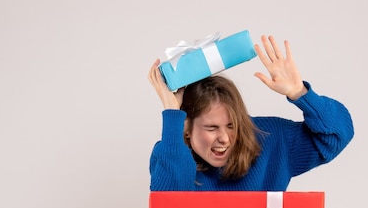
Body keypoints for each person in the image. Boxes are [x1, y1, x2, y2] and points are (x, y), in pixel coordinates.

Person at [147, 34, 354, 191]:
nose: (225, 138)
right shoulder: (169, 149)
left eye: (232, 125)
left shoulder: (271, 138)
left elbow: (337, 135)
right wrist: (172, 115)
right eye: (211, 127)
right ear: (187, 128)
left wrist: (301, 93)